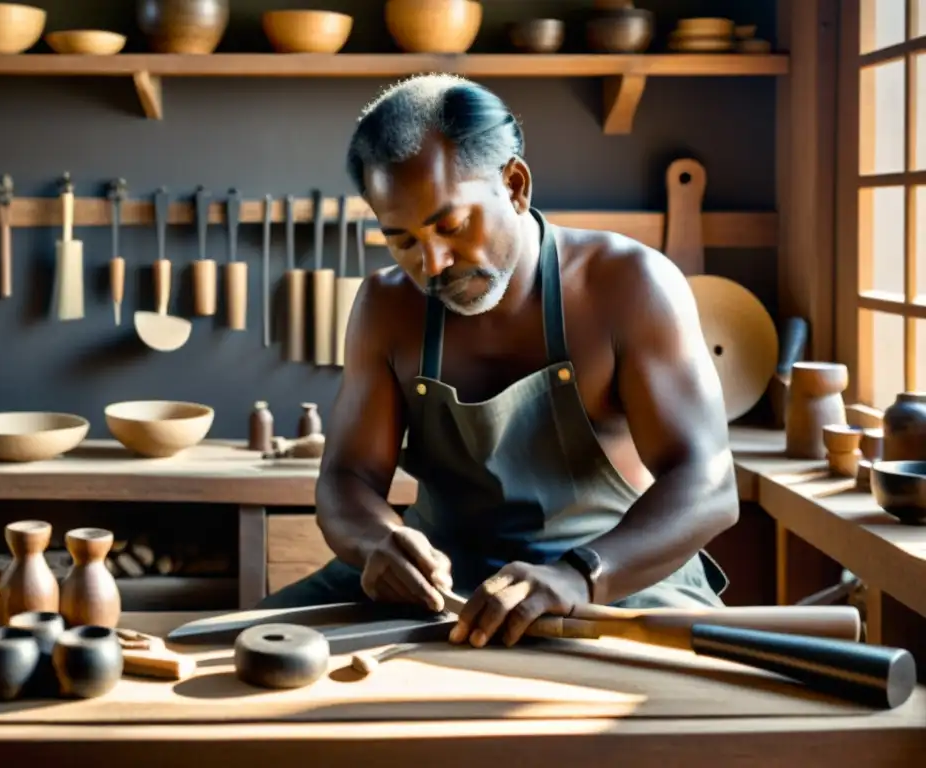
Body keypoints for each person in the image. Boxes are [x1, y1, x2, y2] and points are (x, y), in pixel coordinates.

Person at [258, 74, 739, 650]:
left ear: (514, 185)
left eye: (451, 226)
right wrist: (377, 543)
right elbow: (347, 478)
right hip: (445, 588)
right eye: (401, 240)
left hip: (615, 580)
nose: (432, 263)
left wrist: (579, 574)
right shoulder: (387, 307)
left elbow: (709, 484)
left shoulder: (628, 284)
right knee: (248, 651)